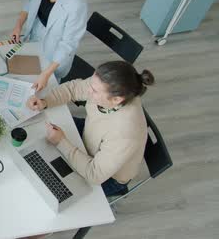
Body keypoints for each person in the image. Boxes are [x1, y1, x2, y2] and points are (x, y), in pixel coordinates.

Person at [26, 61, 155, 197]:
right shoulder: (105, 84)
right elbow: (74, 89)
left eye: (94, 91)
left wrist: (61, 142)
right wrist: (45, 102)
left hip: (105, 177)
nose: (88, 91)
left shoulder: (126, 132)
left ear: (116, 99)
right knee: (37, 130)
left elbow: (94, 174)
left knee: (48, 185)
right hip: (90, 135)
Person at [11, 0, 88, 91]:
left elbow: (68, 44)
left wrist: (47, 73)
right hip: (35, 32)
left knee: (41, 91)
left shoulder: (77, 3)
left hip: (55, 51)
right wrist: (19, 24)